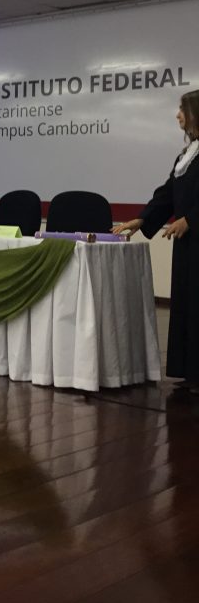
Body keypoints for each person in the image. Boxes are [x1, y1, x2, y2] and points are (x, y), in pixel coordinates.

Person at [114, 90, 199, 388]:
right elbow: (167, 194)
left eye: (183, 110)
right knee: (187, 303)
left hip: (195, 234)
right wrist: (143, 219)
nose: (178, 115)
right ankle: (191, 371)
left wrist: (191, 219)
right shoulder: (187, 155)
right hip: (188, 243)